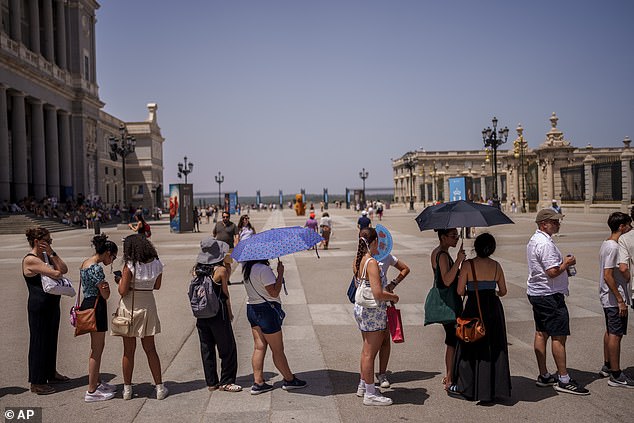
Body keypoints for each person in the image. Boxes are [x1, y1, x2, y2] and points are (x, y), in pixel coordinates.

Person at [526, 209, 589, 395]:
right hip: (549, 295)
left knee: (541, 332)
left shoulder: (534, 240)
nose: (558, 224)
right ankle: (563, 378)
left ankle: (544, 374)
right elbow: (552, 272)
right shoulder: (544, 244)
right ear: (544, 224)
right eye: (554, 222)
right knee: (558, 336)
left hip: (538, 292)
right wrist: (567, 264)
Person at [451, 233, 511, 402]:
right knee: (494, 346)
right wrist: (493, 293)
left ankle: (469, 387)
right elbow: (504, 291)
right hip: (493, 307)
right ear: (492, 248)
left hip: (474, 307)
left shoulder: (468, 265)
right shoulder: (497, 266)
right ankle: (493, 388)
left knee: (470, 345)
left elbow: (460, 291)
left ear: (475, 247)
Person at [241, 258, 307, 394]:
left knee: (259, 347)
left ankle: (258, 382)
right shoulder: (263, 270)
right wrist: (280, 273)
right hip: (266, 311)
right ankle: (289, 379)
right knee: (277, 349)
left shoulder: (247, 269)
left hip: (252, 309)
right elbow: (274, 292)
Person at [115, 234, 168, 400]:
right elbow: (157, 286)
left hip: (130, 305)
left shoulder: (129, 265)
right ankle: (159, 387)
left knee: (128, 351)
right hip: (148, 304)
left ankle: (127, 389)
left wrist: (119, 280)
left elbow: (122, 291)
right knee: (151, 349)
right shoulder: (157, 263)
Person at [353, 228, 399, 406]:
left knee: (366, 351)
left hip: (362, 310)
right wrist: (393, 297)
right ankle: (370, 393)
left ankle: (363, 385)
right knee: (370, 354)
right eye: (377, 242)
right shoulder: (371, 262)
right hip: (373, 311)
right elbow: (378, 293)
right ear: (372, 243)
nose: (379, 245)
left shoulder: (359, 260)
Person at [22, 228, 70, 395]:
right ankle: (37, 382)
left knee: (51, 339)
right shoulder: (30, 260)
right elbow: (56, 272)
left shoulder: (46, 256)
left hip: (51, 304)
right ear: (37, 241)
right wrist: (52, 264)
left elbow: (64, 269)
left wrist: (52, 253)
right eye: (48, 241)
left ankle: (50, 373)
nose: (50, 243)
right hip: (39, 306)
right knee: (39, 342)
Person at [192, 238, 241, 392]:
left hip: (202, 313)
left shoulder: (196, 269)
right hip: (218, 314)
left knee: (207, 348)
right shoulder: (221, 271)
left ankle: (212, 382)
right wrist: (230, 312)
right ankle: (226, 381)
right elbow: (225, 294)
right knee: (227, 348)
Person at [79, 234, 119, 402]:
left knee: (96, 347)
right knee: (97, 349)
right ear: (107, 253)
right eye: (113, 257)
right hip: (97, 306)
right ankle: (91, 390)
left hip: (88, 303)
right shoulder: (96, 268)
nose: (113, 261)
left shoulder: (85, 263)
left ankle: (96, 381)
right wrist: (108, 288)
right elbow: (105, 294)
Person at [598, 212, 634, 387]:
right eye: (629, 225)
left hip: (607, 297)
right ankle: (616, 374)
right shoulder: (614, 247)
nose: (630, 228)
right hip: (613, 298)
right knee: (616, 334)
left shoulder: (607, 243)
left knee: (610, 331)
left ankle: (607, 365)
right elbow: (608, 275)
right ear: (622, 227)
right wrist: (620, 299)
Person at [430, 228, 465, 391]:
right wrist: (458, 261)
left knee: (453, 339)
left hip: (448, 302)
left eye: (457, 235)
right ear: (443, 237)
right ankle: (450, 379)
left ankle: (450, 375)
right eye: (453, 236)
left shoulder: (438, 252)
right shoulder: (442, 255)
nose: (456, 238)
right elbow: (447, 280)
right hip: (449, 304)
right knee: (452, 340)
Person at [375, 252, 410, 388]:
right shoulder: (363, 256)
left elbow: (405, 268)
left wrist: (392, 284)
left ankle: (382, 373)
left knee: (384, 339)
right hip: (369, 304)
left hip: (384, 301)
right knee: (370, 343)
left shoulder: (386, 256)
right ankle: (365, 379)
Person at [213, 211, 239, 276]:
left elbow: (237, 235)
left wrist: (237, 245)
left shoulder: (233, 225)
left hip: (229, 247)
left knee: (227, 264)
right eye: (223, 217)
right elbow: (214, 234)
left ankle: (227, 279)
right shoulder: (218, 224)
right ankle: (220, 278)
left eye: (227, 217)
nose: (225, 218)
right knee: (218, 264)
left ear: (229, 217)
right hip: (219, 248)